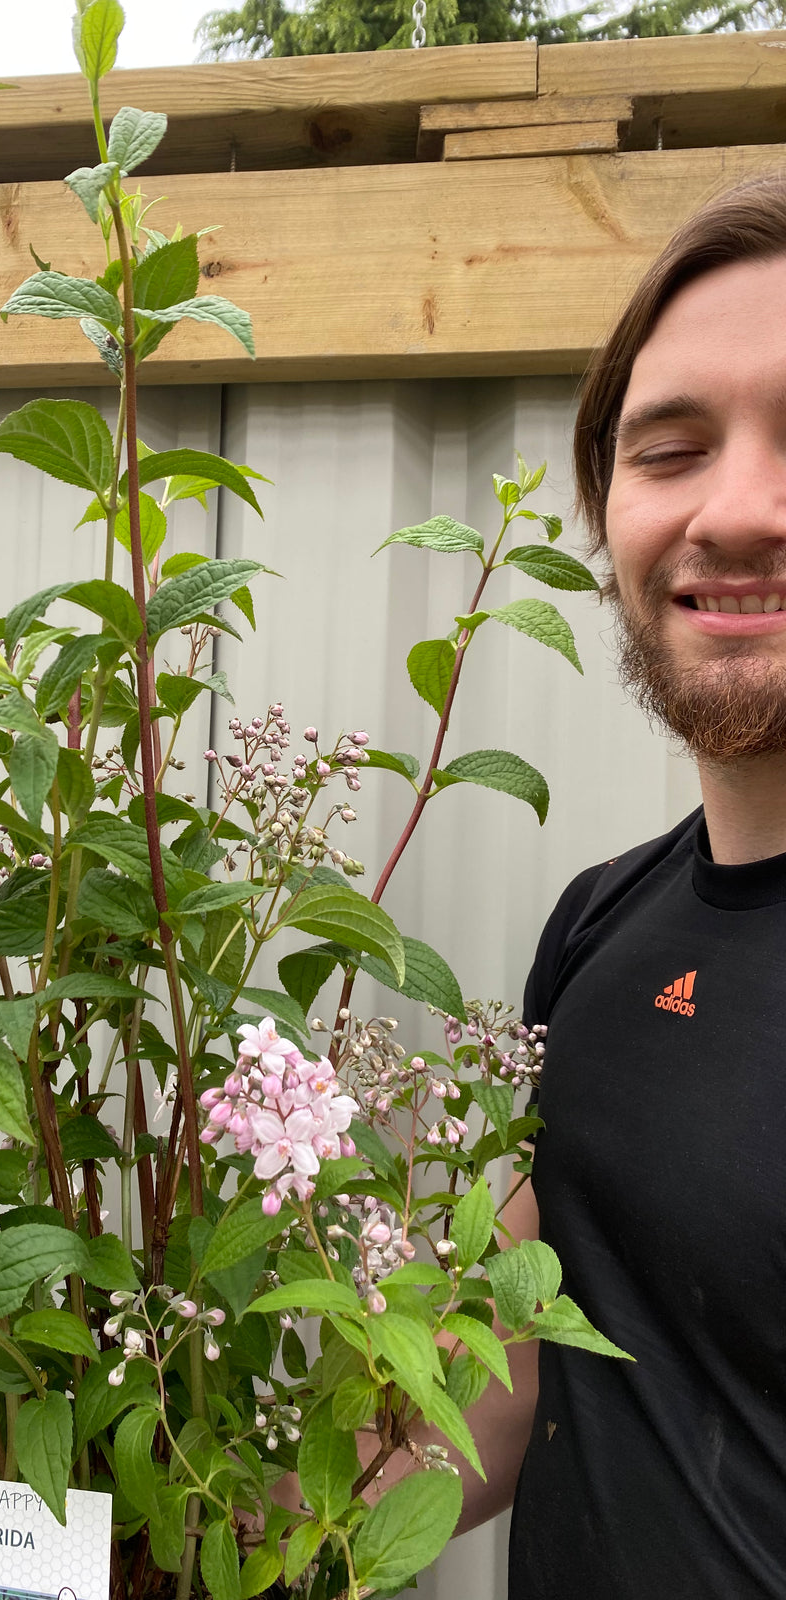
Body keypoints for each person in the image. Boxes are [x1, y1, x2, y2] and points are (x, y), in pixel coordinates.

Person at [448, 175, 786, 1598]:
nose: (740, 510)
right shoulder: (596, 929)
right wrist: (162, 1519)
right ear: (606, 508)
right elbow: (507, 1386)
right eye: (671, 450)